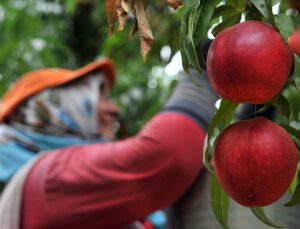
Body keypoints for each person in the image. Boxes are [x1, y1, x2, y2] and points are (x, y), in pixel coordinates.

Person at [0, 57, 219, 229]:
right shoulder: (49, 179)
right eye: (100, 96)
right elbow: (167, 154)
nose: (115, 110)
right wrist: (199, 80)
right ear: (54, 109)